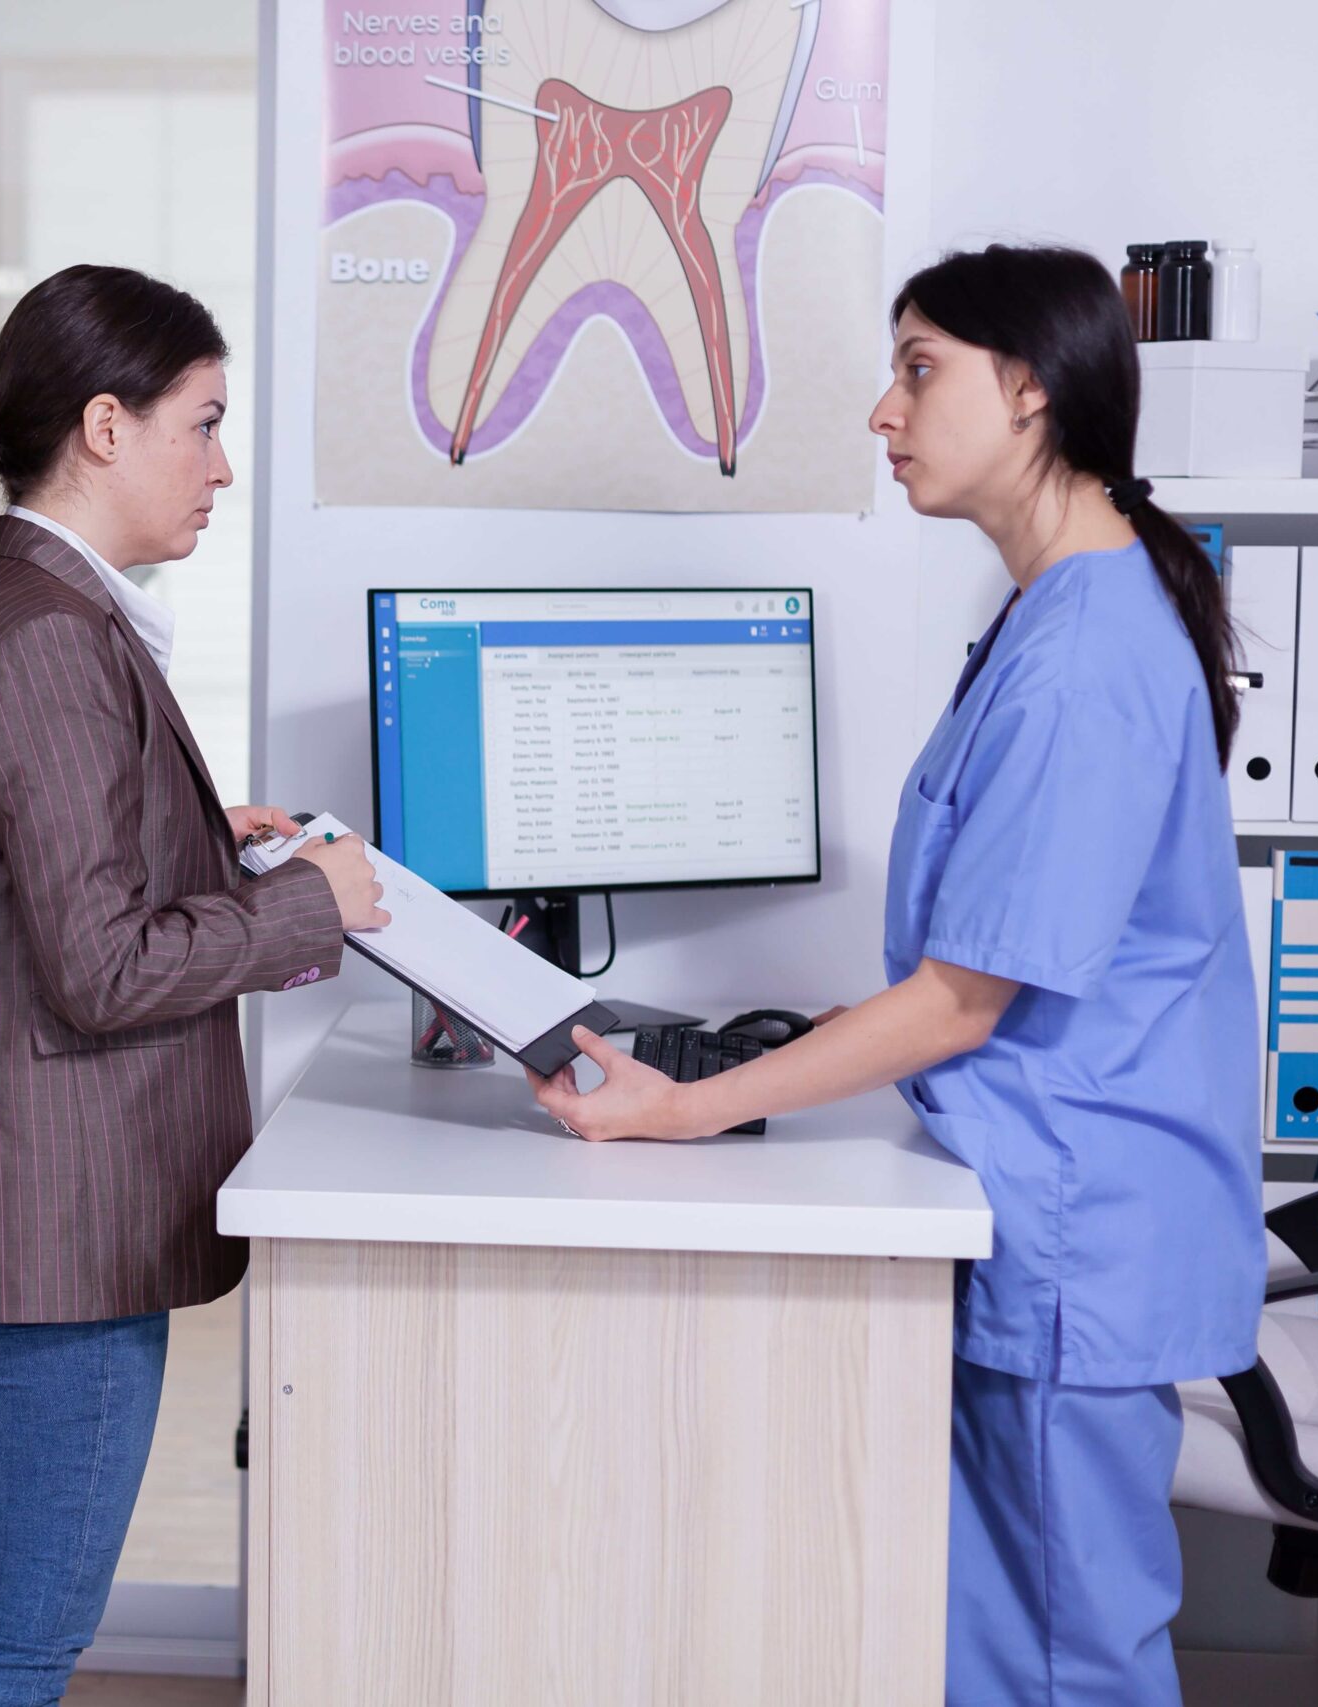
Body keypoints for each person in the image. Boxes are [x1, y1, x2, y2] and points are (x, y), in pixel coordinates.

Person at [529, 244, 1264, 1702]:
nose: (884, 409)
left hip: (1079, 1224)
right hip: (1052, 1196)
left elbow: (964, 997)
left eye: (920, 368)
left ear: (1032, 391)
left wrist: (691, 1104)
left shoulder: (1085, 654)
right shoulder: (1057, 610)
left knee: (1064, 1664)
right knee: (997, 1640)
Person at [0, 264, 389, 1707]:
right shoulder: (48, 644)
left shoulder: (20, 610)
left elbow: (47, 896)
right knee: (23, 1628)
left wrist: (213, 845)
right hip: (58, 1213)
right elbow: (99, 970)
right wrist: (300, 909)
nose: (220, 466)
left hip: (29, 1195)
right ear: (103, 425)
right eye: (202, 425)